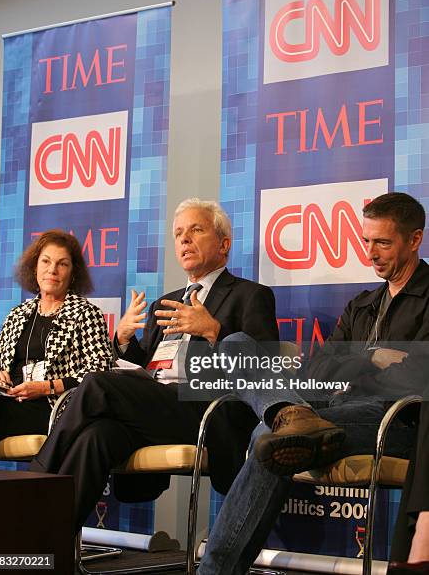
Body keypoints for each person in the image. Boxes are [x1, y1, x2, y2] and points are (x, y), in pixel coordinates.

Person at [197, 191, 429, 575]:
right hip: (331, 406)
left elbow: (415, 376)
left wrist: (349, 366)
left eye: (383, 243)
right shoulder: (362, 303)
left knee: (267, 436)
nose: (370, 252)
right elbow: (316, 370)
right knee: (236, 344)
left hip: (398, 421)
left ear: (415, 239)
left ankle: (214, 572)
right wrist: (369, 358)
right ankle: (289, 411)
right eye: (366, 241)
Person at [30, 198, 279, 532]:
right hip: (153, 405)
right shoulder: (166, 302)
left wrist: (213, 330)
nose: (184, 240)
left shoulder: (250, 295)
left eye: (196, 230)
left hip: (203, 409)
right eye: (178, 234)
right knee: (96, 436)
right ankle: (43, 542)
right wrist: (121, 340)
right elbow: (138, 367)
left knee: (96, 384)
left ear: (224, 244)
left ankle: (31, 483)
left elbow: (264, 368)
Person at [0, 229, 112, 453]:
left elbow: (100, 372)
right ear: (34, 267)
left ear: (73, 273)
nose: (52, 270)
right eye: (45, 261)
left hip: (50, 406)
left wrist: (46, 388)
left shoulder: (86, 313)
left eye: (62, 264)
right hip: (6, 399)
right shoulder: (18, 314)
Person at [388, 389, 429, 574]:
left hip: (401, 414)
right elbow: (322, 371)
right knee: (292, 416)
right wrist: (373, 360)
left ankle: (422, 546)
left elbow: (413, 372)